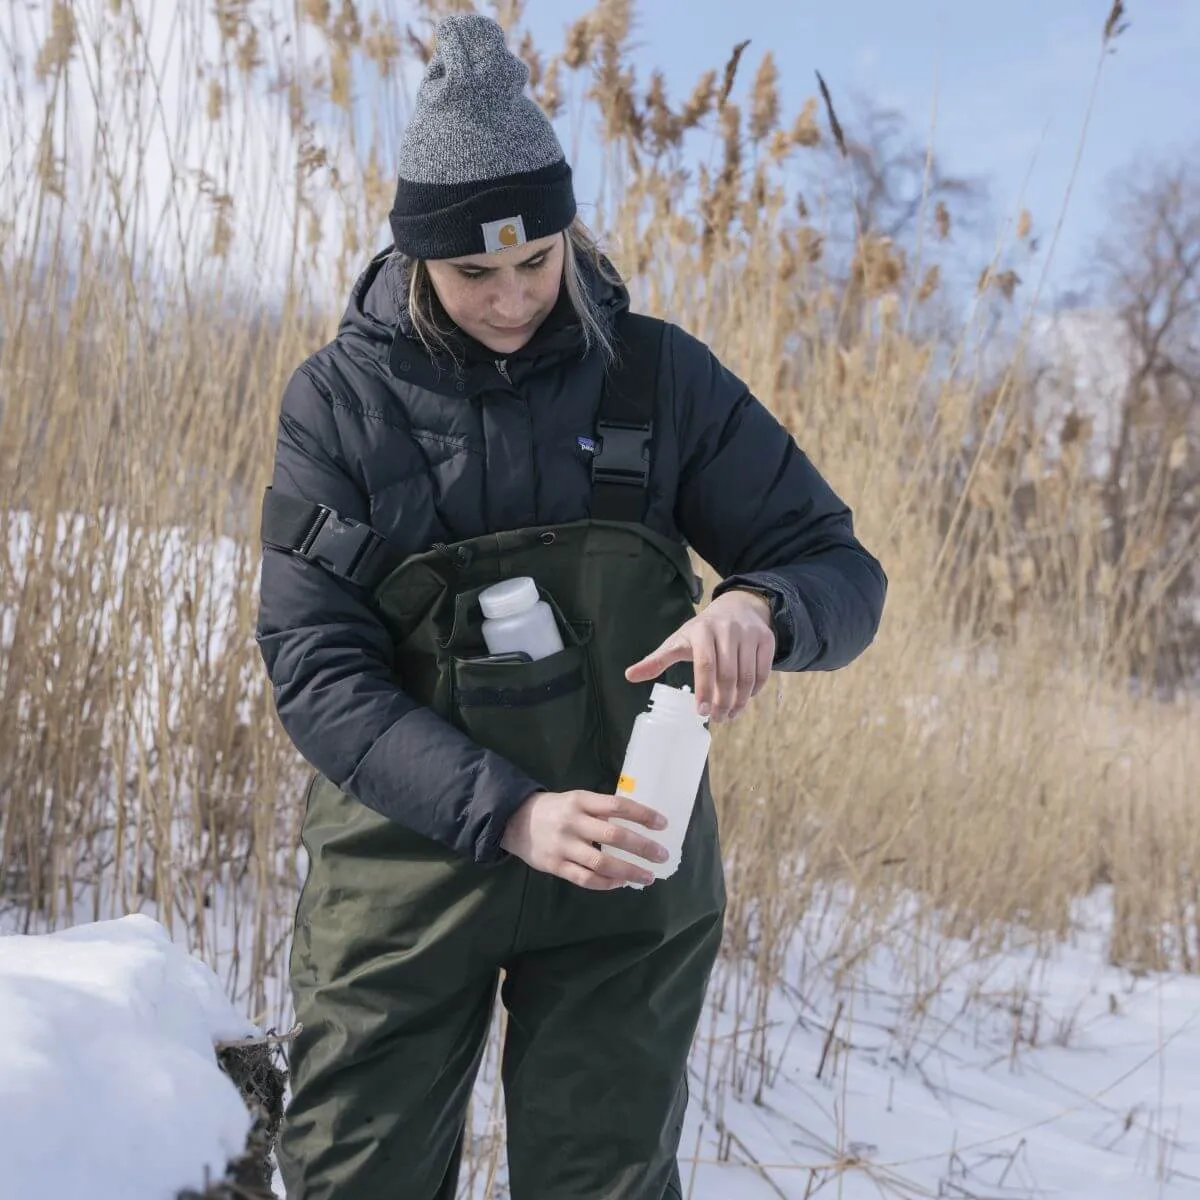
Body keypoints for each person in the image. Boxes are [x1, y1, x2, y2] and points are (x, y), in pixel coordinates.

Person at [255, 13, 886, 1200]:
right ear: (412, 259)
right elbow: (316, 671)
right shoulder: (338, 408)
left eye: (535, 261)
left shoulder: (657, 376)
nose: (510, 299)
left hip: (627, 872)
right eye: (472, 272)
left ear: (569, 229)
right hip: (406, 872)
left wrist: (762, 606)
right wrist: (510, 812)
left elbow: (838, 566)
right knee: (355, 1177)